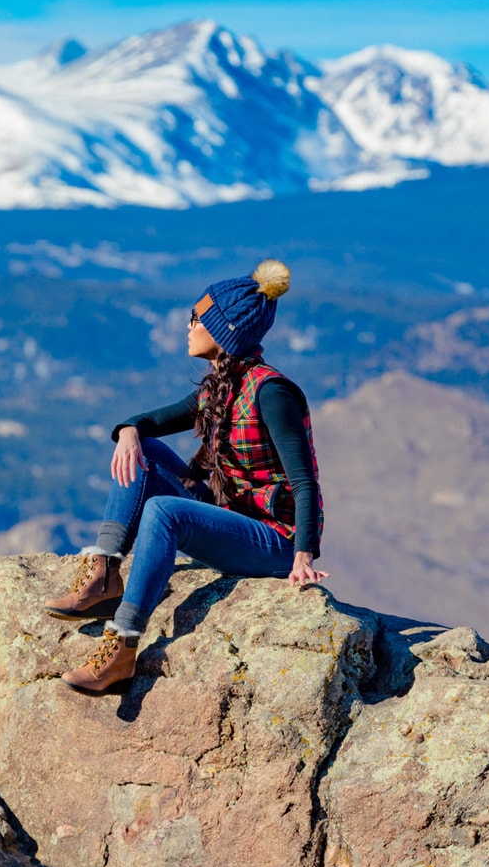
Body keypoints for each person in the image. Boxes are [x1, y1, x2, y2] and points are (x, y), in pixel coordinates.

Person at [44, 259, 328, 694]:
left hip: (274, 540)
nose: (187, 325)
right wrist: (129, 432)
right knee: (148, 450)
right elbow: (152, 421)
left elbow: (306, 483)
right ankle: (104, 574)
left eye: (196, 318)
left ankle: (122, 646)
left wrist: (303, 556)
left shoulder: (270, 393)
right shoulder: (221, 385)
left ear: (223, 330)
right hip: (233, 516)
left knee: (163, 511)